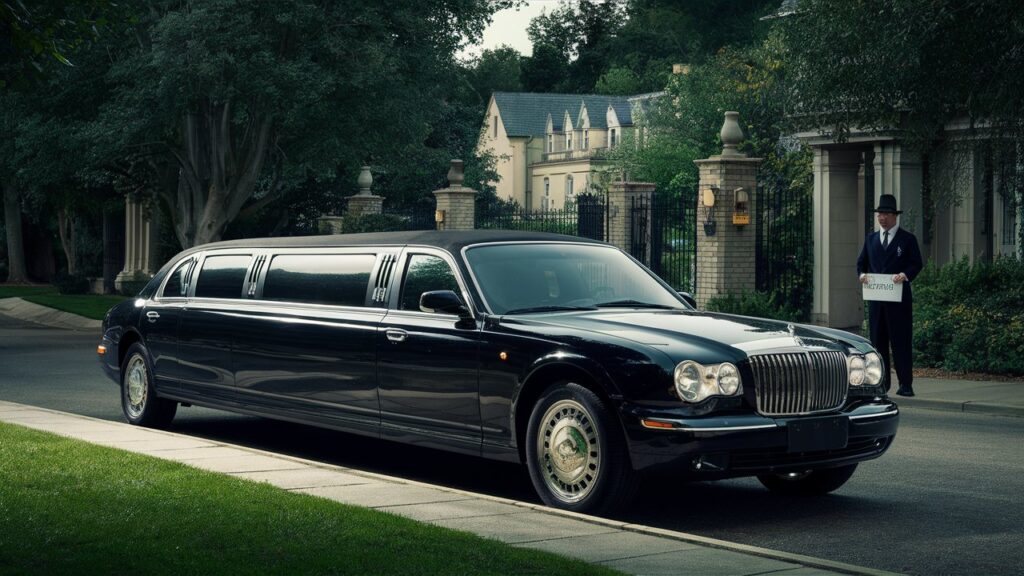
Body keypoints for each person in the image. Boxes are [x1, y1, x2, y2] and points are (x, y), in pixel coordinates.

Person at [857, 194, 924, 397]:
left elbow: (916, 263)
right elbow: (861, 264)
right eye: (879, 214)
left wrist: (904, 275)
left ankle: (906, 384)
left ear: (894, 216)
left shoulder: (907, 239)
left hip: (899, 301)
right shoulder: (871, 239)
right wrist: (862, 276)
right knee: (878, 343)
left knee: (901, 341)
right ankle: (881, 384)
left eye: (885, 214)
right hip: (877, 301)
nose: (881, 217)